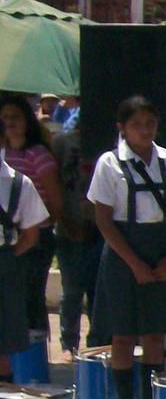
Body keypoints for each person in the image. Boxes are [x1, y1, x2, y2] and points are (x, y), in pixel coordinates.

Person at [88, 96, 166, 399]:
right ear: (122, 128)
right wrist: (134, 263)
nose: (144, 131)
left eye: (150, 124)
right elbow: (103, 219)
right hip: (122, 255)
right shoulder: (110, 163)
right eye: (136, 125)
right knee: (123, 335)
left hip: (161, 251)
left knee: (156, 334)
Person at [0, 94, 63, 334]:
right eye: (4, 117)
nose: (9, 122)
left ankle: (34, 357)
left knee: (30, 296)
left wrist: (37, 225)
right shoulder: (4, 155)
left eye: (15, 117)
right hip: (6, 240)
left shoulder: (38, 154)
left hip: (35, 237)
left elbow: (55, 202)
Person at [51, 128, 104, 357]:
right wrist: (63, 219)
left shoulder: (106, 143)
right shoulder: (62, 143)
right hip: (69, 227)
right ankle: (69, 343)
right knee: (72, 289)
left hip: (99, 228)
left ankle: (97, 342)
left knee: (98, 290)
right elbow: (55, 184)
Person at [0, 151, 48, 384]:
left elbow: (30, 233)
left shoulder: (19, 183)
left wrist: (8, 257)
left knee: (3, 349)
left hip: (4, 263)